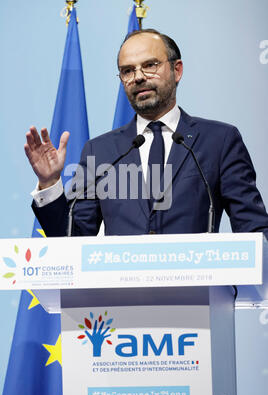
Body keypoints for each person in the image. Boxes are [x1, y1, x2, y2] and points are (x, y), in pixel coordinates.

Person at [25, 29, 268, 239]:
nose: (139, 77)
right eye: (127, 71)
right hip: (120, 293)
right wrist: (49, 183)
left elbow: (255, 232)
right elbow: (72, 241)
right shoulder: (99, 151)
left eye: (150, 65)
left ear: (177, 70)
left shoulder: (219, 140)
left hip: (196, 291)